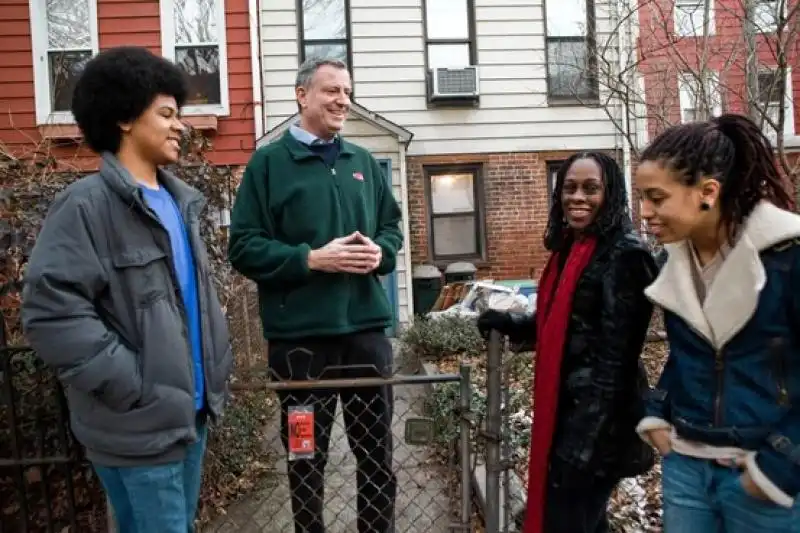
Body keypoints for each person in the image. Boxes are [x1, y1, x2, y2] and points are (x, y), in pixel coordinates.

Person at [21, 46, 233, 533]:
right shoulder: (84, 207)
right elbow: (51, 314)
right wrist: (133, 385)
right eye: (166, 114)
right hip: (137, 429)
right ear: (123, 118)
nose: (180, 126)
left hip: (189, 419)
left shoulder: (181, 205)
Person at [228, 57, 403, 533]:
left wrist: (380, 254)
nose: (342, 99)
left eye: (347, 90)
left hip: (366, 336)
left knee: (377, 457)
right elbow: (242, 246)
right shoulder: (268, 165)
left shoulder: (363, 162)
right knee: (305, 460)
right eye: (331, 90)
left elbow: (392, 227)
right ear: (302, 95)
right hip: (300, 346)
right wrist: (310, 259)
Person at [634, 113, 800, 532]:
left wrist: (783, 463)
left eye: (656, 197)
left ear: (707, 192)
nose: (645, 212)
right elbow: (692, 354)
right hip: (686, 470)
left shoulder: (788, 256)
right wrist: (657, 410)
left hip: (762, 474)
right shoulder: (674, 263)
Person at [478, 152, 657, 533]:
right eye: (569, 188)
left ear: (611, 194)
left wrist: (583, 443)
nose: (578, 197)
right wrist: (512, 323)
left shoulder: (626, 255)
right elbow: (565, 322)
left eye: (591, 189)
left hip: (598, 427)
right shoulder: (569, 250)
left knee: (569, 521)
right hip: (566, 412)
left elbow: (617, 362)